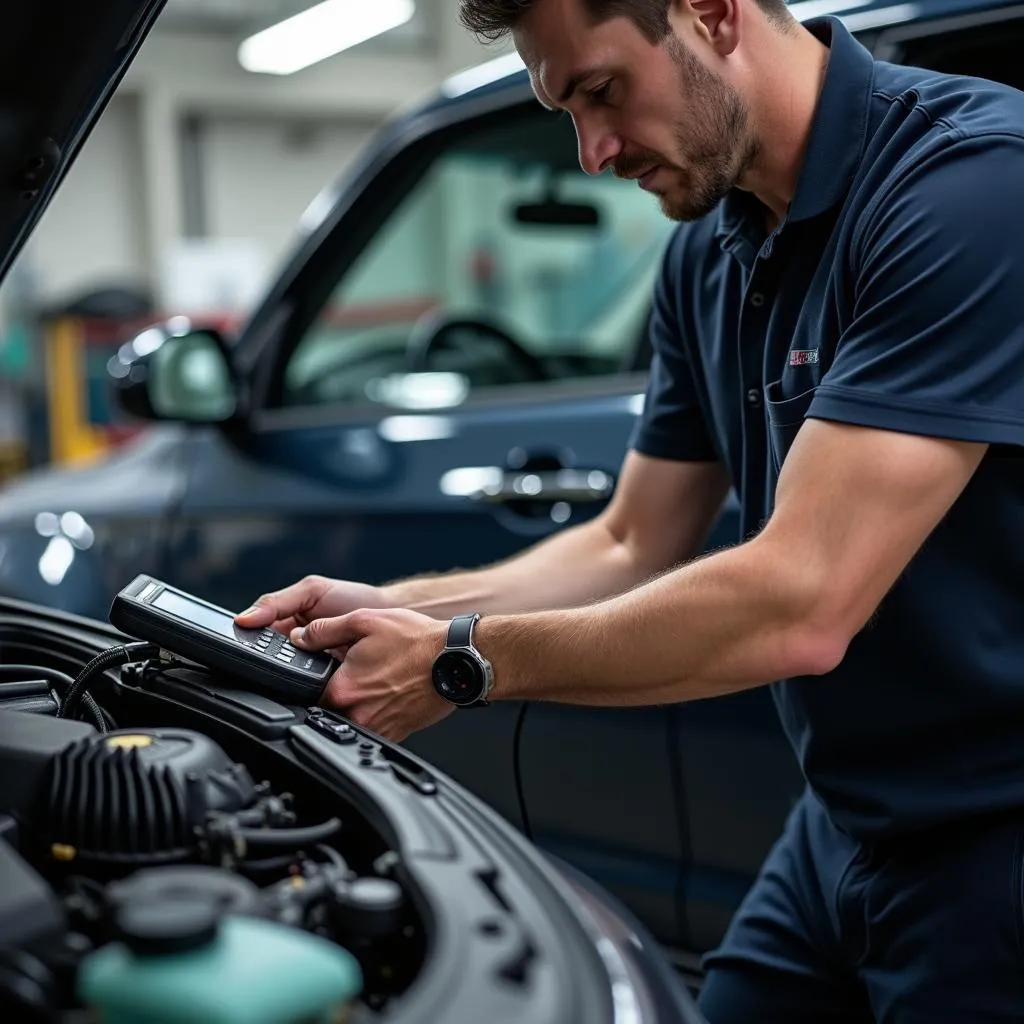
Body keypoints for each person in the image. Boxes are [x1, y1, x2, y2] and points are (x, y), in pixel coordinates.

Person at [237, 0, 1024, 1018]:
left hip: (994, 836)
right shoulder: (709, 251)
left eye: (603, 92)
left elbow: (803, 599)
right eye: (565, 109)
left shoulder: (970, 187)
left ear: (709, 12)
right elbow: (629, 540)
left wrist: (461, 661)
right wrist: (396, 612)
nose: (593, 151)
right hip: (840, 824)